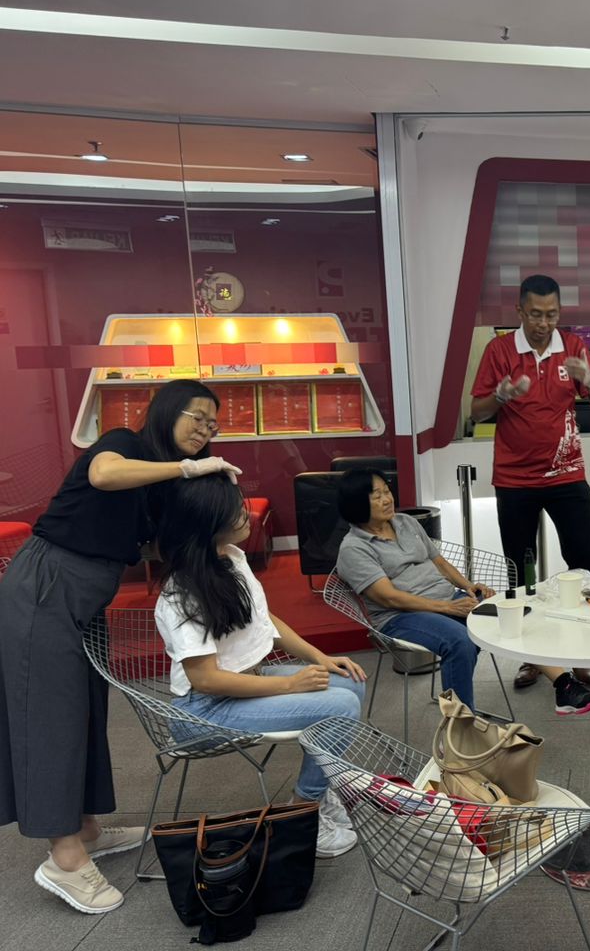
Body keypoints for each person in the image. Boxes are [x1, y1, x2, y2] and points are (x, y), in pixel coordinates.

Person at [0, 379, 240, 914]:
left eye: (213, 424)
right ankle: (63, 856)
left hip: (87, 597)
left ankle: (85, 827)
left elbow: (150, 543)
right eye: (197, 417)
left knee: (86, 711)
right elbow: (102, 475)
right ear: (167, 412)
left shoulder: (160, 481)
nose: (205, 430)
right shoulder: (125, 445)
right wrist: (187, 469)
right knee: (50, 716)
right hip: (46, 585)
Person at [154, 474, 366, 859]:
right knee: (342, 706)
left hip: (244, 684)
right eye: (235, 509)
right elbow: (205, 680)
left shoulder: (231, 558)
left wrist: (319, 658)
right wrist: (291, 685)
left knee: (349, 681)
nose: (245, 513)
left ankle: (321, 789)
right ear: (208, 522)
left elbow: (265, 620)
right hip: (203, 713)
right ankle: (304, 811)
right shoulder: (181, 592)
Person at [334, 469, 590, 715]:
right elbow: (389, 597)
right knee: (460, 641)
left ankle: (564, 686)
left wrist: (467, 586)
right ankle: (461, 723)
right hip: (400, 616)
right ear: (356, 503)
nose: (387, 499)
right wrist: (448, 607)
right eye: (376, 495)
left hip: (446, 600)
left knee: (514, 613)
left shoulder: (405, 522)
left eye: (387, 491)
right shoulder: (354, 548)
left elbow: (439, 562)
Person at [471, 273, 590, 700]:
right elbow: (476, 412)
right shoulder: (499, 351)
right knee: (521, 569)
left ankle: (582, 651)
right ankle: (532, 654)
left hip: (567, 475)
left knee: (582, 562)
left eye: (551, 314)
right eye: (535, 314)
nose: (544, 323)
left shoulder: (574, 346)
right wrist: (502, 395)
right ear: (519, 311)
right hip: (515, 479)